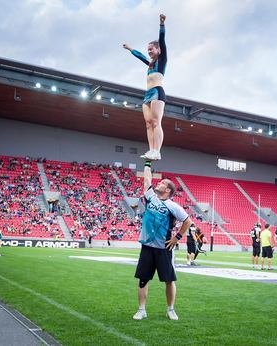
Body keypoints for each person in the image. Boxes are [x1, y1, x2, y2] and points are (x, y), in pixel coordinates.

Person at [133, 160, 192, 321]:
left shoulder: (174, 206)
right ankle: (141, 309)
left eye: (162, 183)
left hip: (163, 248)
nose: (158, 183)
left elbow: (188, 221)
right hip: (147, 246)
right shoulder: (151, 197)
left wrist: (177, 237)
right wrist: (147, 163)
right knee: (143, 279)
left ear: (167, 190)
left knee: (169, 280)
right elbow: (146, 180)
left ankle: (170, 309)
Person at [123, 14, 167, 161]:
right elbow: (141, 56)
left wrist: (161, 25)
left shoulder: (162, 60)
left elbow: (162, 41)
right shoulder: (150, 64)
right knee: (148, 124)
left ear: (158, 50)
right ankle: (151, 150)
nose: (149, 51)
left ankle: (157, 151)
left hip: (157, 92)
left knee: (156, 122)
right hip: (147, 94)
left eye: (151, 49)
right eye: (148, 49)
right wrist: (130, 49)